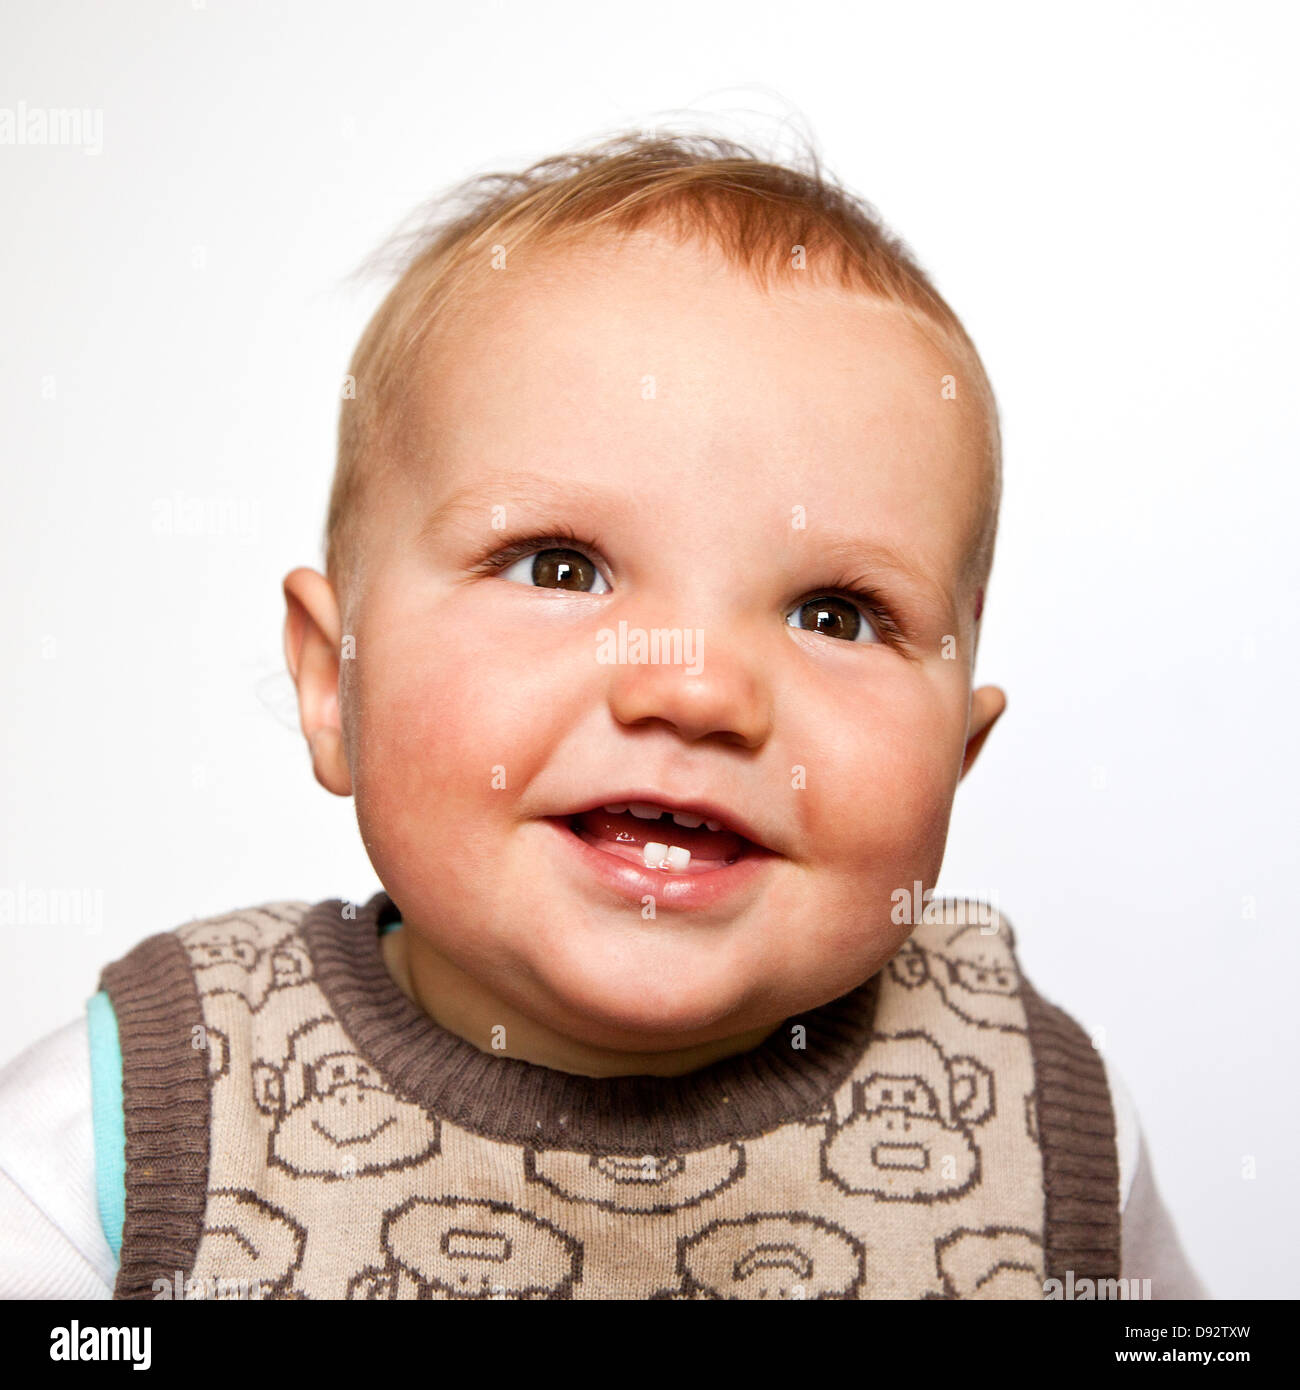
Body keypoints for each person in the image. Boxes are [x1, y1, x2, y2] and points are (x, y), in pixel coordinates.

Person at [0, 130, 1206, 1300]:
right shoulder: (149, 1121)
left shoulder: (1038, 1122)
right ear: (333, 683)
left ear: (958, 754)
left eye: (835, 614)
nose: (695, 687)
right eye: (560, 569)